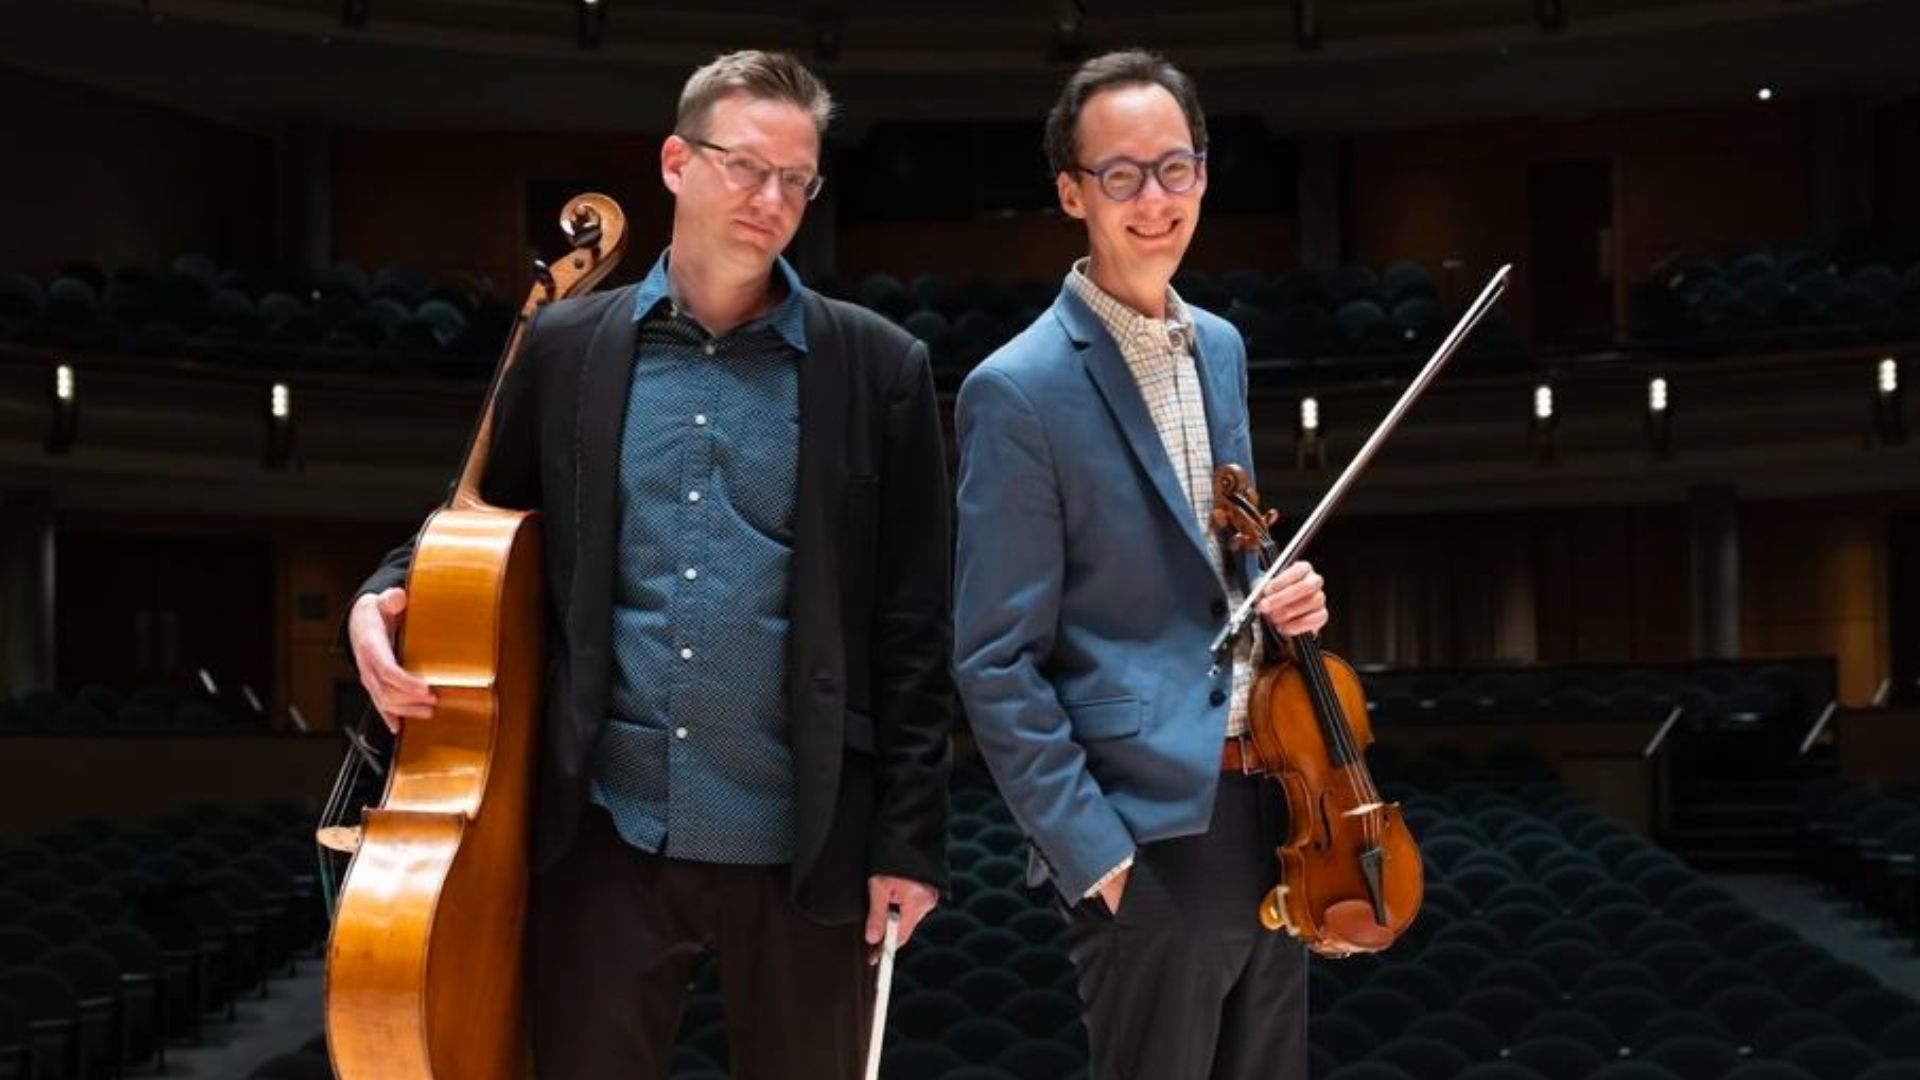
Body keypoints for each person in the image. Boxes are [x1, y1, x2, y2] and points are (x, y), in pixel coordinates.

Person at [344, 49, 953, 1080]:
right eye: (744, 167)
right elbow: (479, 519)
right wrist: (378, 595)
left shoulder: (880, 366)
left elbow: (914, 619)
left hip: (805, 842)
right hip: (603, 836)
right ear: (676, 161)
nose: (771, 200)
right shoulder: (568, 347)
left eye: (797, 180)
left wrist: (910, 839)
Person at [951, 49, 1330, 1080]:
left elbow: (1219, 562)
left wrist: (1277, 596)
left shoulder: (1223, 348)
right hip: (1149, 835)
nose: (1152, 198)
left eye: (1175, 167)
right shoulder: (1014, 390)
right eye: (1119, 175)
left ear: (1203, 174)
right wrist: (1098, 861)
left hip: (1276, 806)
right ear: (1073, 193)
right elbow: (993, 660)